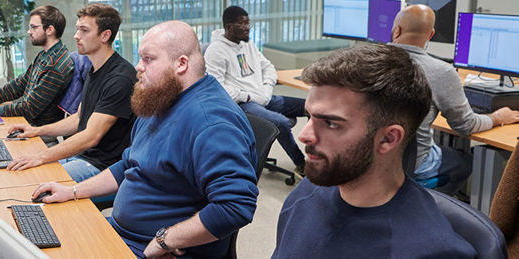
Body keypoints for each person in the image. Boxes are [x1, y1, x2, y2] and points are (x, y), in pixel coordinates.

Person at [32, 21, 258, 258]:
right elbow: (128, 165)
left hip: (151, 249)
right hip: (122, 234)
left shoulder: (212, 123)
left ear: (181, 64)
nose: (138, 67)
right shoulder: (161, 99)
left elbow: (235, 206)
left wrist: (164, 240)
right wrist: (73, 192)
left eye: (148, 59)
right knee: (39, 236)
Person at [272, 44, 477, 258]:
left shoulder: (431, 251)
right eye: (309, 116)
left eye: (331, 123)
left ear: (388, 138)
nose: (304, 135)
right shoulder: (307, 192)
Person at [389, 5, 519, 196]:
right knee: (465, 161)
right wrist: (498, 117)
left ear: (396, 30)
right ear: (431, 34)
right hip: (411, 164)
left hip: (372, 159)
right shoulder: (440, 72)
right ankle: (426, 205)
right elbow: (466, 125)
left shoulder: (370, 62)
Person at [6, 3, 137, 186]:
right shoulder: (94, 69)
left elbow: (92, 135)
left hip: (104, 167)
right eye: (77, 29)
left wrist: (41, 156)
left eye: (84, 30)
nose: (76, 36)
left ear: (105, 35)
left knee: (34, 181)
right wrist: (37, 130)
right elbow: (77, 119)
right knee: (23, 169)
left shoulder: (120, 78)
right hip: (83, 156)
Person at [205, 6, 307, 174]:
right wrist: (249, 96)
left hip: (264, 97)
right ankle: (301, 164)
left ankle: (320, 157)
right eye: (243, 24)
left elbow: (268, 67)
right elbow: (217, 88)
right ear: (230, 27)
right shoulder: (216, 51)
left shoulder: (248, 44)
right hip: (243, 104)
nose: (248, 28)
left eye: (248, 23)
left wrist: (267, 87)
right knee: (280, 122)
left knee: (310, 106)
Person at [0, 5, 74, 127]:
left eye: (34, 27)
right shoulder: (46, 54)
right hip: (26, 123)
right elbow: (20, 84)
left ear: (50, 30)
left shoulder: (55, 66)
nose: (29, 31)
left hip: (37, 131)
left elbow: (29, 109)